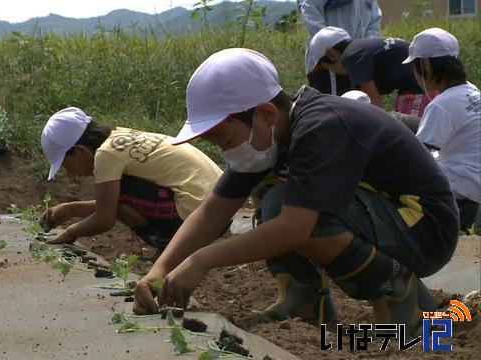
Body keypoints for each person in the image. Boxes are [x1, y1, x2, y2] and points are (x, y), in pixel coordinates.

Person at [133, 48, 459, 335]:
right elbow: (212, 211)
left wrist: (201, 261)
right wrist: (158, 271)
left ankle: (402, 298)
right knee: (275, 195)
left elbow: (295, 228)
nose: (226, 153)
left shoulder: (322, 126)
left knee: (289, 209)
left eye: (227, 141)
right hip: (391, 217)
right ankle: (304, 300)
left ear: (265, 114)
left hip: (424, 227)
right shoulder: (271, 136)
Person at [39, 107, 223, 257]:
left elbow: (105, 219)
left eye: (65, 165)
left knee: (121, 194)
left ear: (80, 152)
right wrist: (71, 210)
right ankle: (170, 250)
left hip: (198, 214)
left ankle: (169, 246)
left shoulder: (105, 155)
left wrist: (71, 232)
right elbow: (109, 204)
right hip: (221, 202)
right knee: (119, 195)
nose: (70, 172)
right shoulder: (119, 137)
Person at [403, 28, 480, 231]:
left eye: (414, 67)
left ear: (425, 63)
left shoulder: (441, 105)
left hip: (463, 184)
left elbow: (417, 155)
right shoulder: (472, 91)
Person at [310, 26, 436, 116]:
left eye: (329, 68)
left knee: (407, 133)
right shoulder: (360, 47)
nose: (333, 72)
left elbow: (374, 104)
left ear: (331, 54)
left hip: (420, 88)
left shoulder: (352, 58)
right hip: (429, 82)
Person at [298, 0, 382, 95]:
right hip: (329, 62)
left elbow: (374, 22)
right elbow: (309, 8)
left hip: (356, 62)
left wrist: (364, 49)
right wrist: (329, 41)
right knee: (331, 106)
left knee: (358, 104)